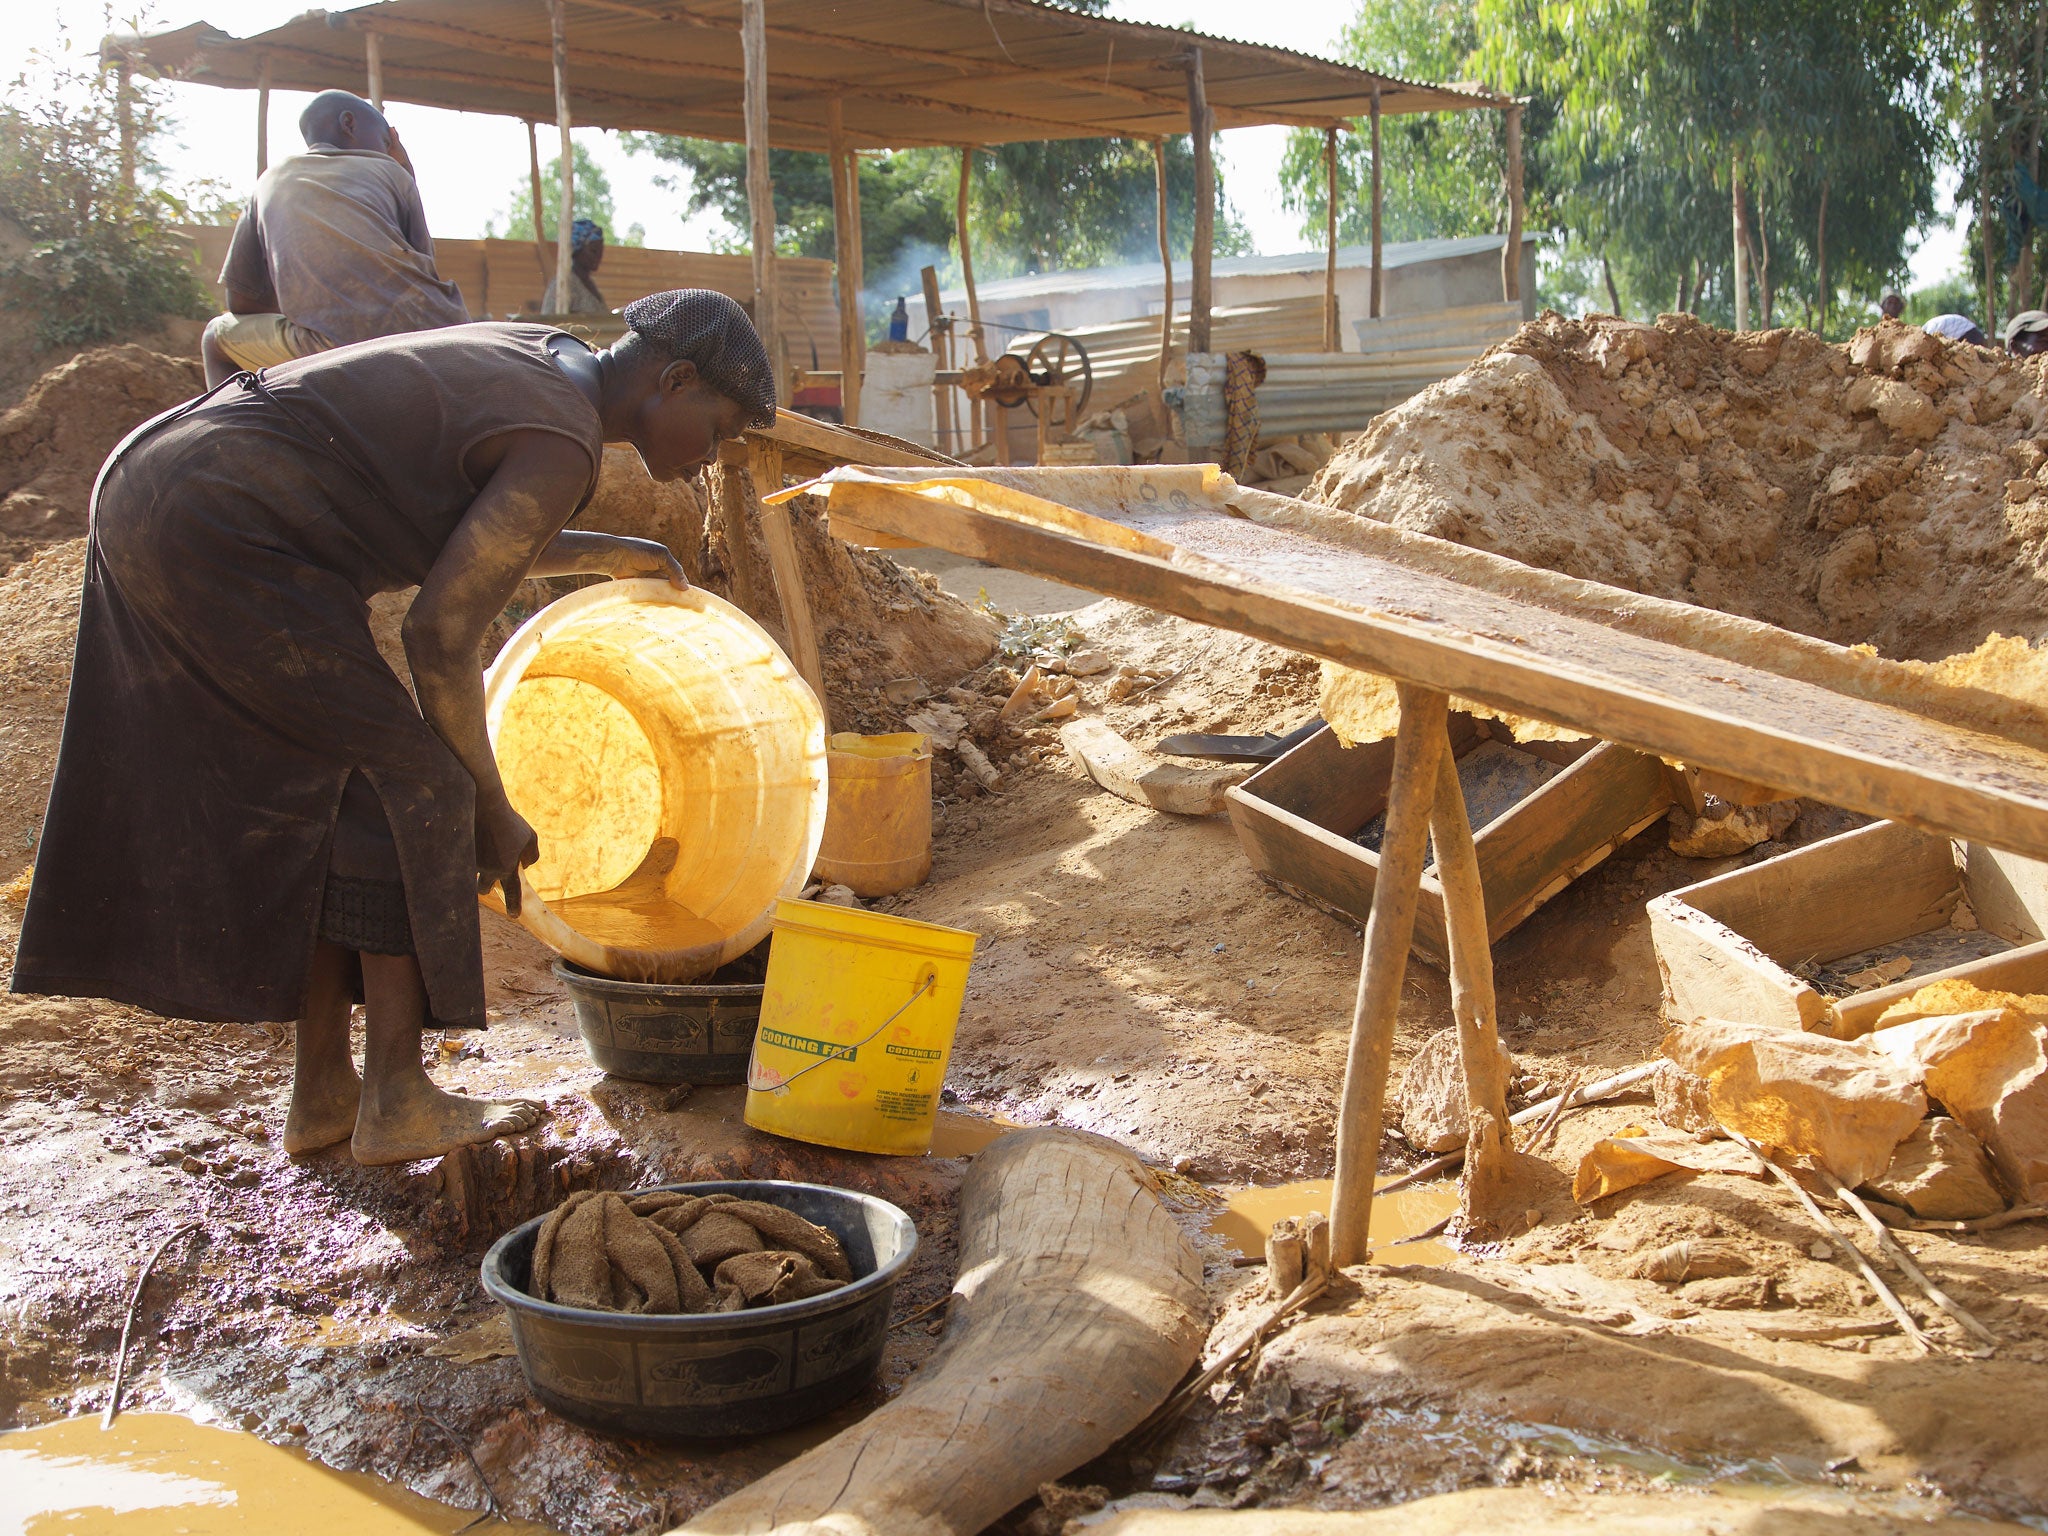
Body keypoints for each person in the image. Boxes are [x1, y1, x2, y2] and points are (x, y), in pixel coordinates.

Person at [15, 291, 775, 1166]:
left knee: (344, 796)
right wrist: (492, 808)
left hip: (163, 483)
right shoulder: (562, 436)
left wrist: (602, 550)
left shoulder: (546, 358)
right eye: (714, 430)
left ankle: (325, 1095)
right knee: (422, 786)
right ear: (674, 378)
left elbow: (463, 525)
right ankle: (399, 1099)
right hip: (223, 525)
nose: (708, 458)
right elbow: (441, 636)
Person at [201, 90, 469, 387]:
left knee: (215, 337)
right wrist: (405, 168)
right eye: (384, 141)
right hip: (442, 333)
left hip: (333, 347)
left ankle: (242, 431)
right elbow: (424, 269)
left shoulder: (270, 180)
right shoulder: (395, 172)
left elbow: (241, 301)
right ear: (349, 123)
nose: (387, 150)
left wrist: (307, 304)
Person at [541, 218, 609, 315]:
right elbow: (549, 322)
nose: (598, 256)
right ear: (577, 250)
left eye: (601, 251)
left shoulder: (590, 284)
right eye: (593, 251)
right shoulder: (563, 285)